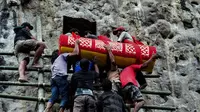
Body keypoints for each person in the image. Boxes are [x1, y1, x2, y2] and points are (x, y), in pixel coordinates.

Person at [44, 39, 80, 112]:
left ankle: (47, 109)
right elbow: (76, 52)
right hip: (60, 78)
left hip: (53, 79)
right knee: (65, 97)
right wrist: (76, 43)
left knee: (54, 96)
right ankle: (61, 110)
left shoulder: (54, 64)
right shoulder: (62, 56)